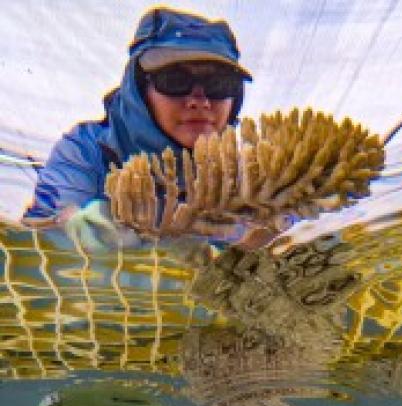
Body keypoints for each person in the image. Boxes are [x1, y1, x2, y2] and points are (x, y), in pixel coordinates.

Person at [22, 6, 274, 252]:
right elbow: (41, 233)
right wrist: (69, 226)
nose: (200, 100)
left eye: (219, 83)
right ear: (139, 89)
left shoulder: (250, 171)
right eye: (175, 81)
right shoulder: (87, 149)